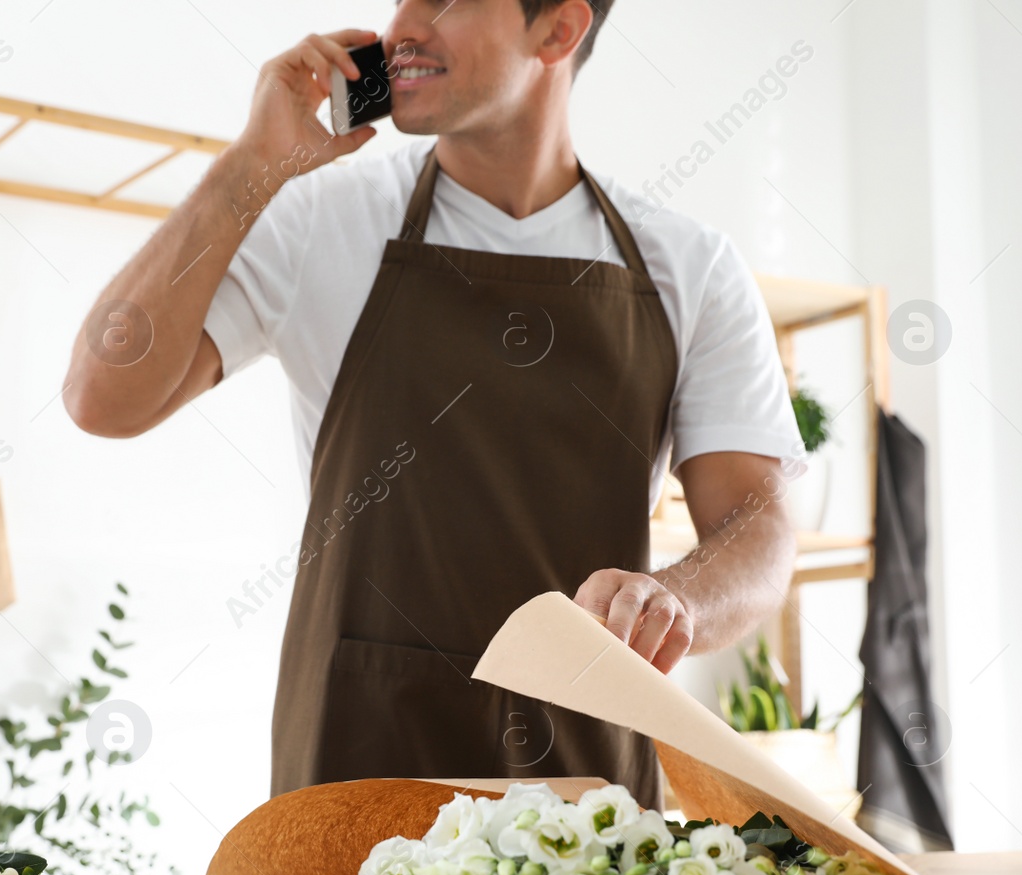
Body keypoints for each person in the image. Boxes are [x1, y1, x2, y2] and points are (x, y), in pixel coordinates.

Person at [64, 0, 801, 809]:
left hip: (582, 788)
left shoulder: (690, 267)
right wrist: (249, 166)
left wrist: (678, 599)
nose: (403, 27)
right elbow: (104, 396)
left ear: (557, 30)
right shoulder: (318, 221)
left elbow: (758, 530)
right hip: (354, 768)